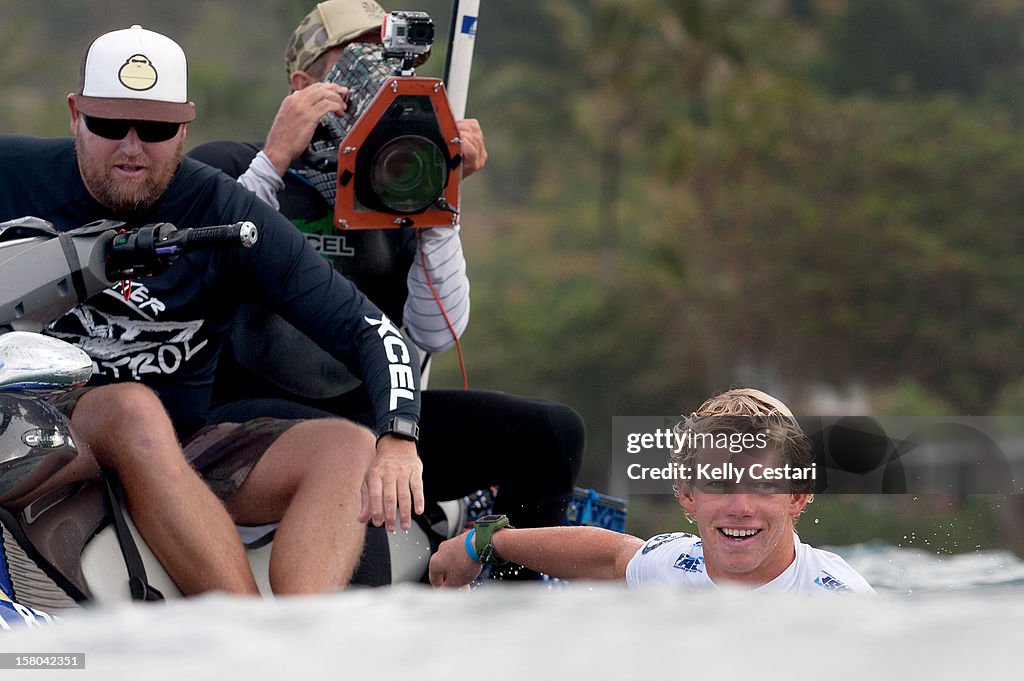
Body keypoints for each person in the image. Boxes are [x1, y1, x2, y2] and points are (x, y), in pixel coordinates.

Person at [0, 24, 426, 596]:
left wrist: (398, 437)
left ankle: (306, 641)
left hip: (181, 447)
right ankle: (244, 643)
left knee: (348, 446)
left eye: (154, 128)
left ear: (184, 128)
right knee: (130, 408)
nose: (131, 147)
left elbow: (369, 327)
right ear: (75, 114)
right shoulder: (12, 171)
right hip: (34, 427)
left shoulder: (224, 210)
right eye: (108, 124)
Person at [187, 0, 584, 573]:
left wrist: (439, 203)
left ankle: (506, 599)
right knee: (348, 459)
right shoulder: (231, 165)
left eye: (391, 60)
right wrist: (275, 159)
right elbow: (202, 279)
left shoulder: (398, 185)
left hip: (375, 414)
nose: (377, 74)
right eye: (355, 59)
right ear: (304, 83)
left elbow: (436, 331)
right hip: (251, 407)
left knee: (550, 432)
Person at [429, 388, 875, 594]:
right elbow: (613, 555)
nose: (741, 508)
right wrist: (481, 541)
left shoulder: (839, 604)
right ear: (686, 495)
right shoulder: (675, 562)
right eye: (718, 484)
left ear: (797, 497)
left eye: (762, 486)